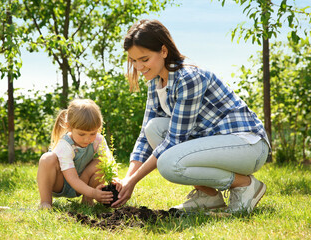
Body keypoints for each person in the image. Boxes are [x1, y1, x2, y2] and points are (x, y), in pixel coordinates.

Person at [112, 19, 271, 213]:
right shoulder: (156, 81)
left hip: (247, 145)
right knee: (153, 128)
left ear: (163, 51)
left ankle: (245, 185)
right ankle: (209, 196)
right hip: (217, 144)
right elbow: (146, 136)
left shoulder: (188, 78)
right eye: (134, 60)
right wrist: (127, 178)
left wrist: (133, 181)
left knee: (169, 164)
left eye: (144, 59)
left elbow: (174, 141)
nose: (138, 67)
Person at [37, 99, 121, 209]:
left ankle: (87, 201)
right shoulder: (65, 145)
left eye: (93, 133)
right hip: (60, 183)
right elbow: (72, 178)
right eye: (82, 134)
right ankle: (45, 202)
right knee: (47, 158)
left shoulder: (98, 140)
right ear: (69, 127)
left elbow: (109, 161)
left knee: (101, 162)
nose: (87, 139)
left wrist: (115, 178)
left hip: (82, 182)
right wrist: (93, 193)